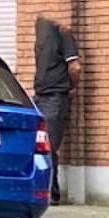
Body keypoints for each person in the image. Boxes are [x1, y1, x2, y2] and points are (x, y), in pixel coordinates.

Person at [34, 15, 80, 201]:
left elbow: (75, 67)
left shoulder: (62, 32)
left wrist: (72, 87)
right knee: (41, 145)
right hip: (41, 96)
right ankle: (46, 189)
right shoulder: (43, 30)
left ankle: (52, 193)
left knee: (48, 146)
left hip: (55, 97)